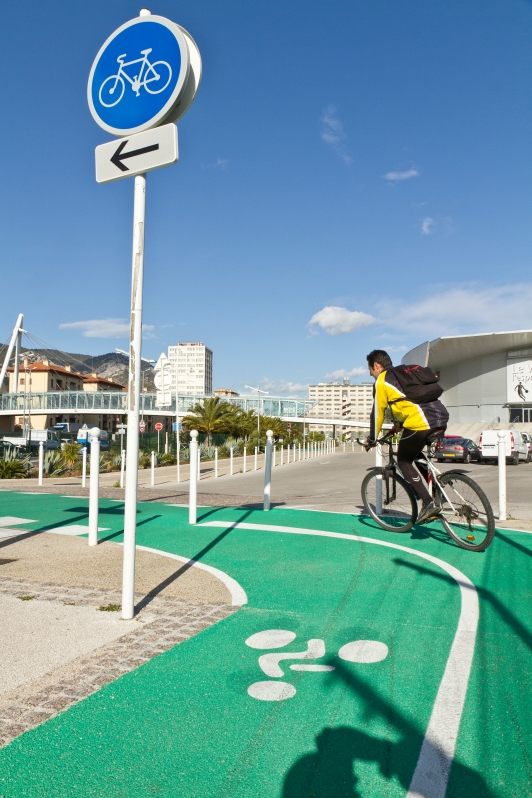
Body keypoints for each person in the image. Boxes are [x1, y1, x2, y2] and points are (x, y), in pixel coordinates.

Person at [365, 349, 449, 524]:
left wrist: (372, 438)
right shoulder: (404, 374)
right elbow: (410, 401)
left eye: (371, 370)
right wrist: (400, 426)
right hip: (440, 416)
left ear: (377, 366)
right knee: (416, 454)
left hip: (421, 422)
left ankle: (428, 502)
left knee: (403, 461)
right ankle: (437, 491)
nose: (371, 374)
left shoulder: (382, 381)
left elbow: (377, 414)